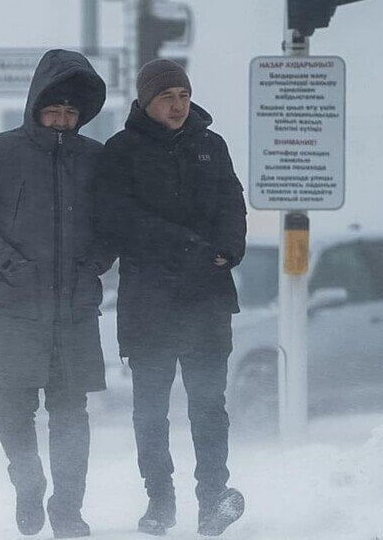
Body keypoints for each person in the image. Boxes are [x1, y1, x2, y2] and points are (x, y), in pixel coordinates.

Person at [0, 49, 114, 538]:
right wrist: (8, 262)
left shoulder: (95, 160)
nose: (62, 119)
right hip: (14, 307)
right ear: (35, 106)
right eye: (53, 109)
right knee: (12, 410)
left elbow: (114, 226)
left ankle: (68, 510)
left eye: (70, 112)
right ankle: (27, 478)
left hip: (74, 309)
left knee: (71, 414)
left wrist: (93, 267)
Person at [96, 59, 248, 537]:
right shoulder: (121, 151)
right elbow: (121, 220)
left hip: (207, 297)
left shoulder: (211, 146)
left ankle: (213, 499)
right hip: (149, 301)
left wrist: (230, 249)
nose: (178, 105)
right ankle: (159, 502)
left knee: (209, 404)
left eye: (183, 95)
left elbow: (232, 204)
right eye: (167, 97)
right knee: (150, 410)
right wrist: (190, 246)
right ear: (146, 101)